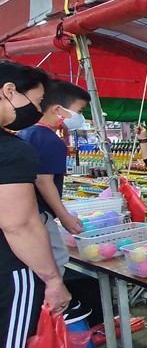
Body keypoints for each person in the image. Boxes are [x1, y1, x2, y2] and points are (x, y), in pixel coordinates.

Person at [0, 60, 72, 348]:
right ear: (9, 91)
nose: (38, 109)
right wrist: (52, 279)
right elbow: (20, 225)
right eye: (37, 100)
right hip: (10, 272)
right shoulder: (11, 149)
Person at [17, 80, 91, 276]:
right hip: (40, 215)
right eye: (80, 111)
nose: (81, 117)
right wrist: (64, 216)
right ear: (58, 109)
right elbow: (43, 180)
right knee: (54, 263)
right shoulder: (51, 141)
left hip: (25, 215)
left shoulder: (25, 133)